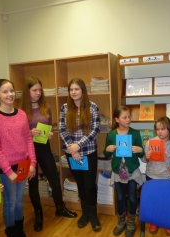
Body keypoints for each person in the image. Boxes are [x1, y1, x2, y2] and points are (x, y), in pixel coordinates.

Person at [19, 76, 77, 232]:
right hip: (27, 151)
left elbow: (49, 127)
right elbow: (18, 134)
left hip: (44, 148)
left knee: (53, 177)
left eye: (39, 90)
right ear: (27, 91)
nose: (38, 93)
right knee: (33, 183)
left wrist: (50, 134)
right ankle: (38, 214)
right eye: (34, 90)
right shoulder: (21, 111)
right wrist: (29, 133)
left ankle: (60, 207)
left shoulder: (46, 107)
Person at [0, 79, 37, 237]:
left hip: (23, 164)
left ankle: (19, 230)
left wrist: (33, 164)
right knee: (10, 202)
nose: (10, 94)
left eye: (11, 91)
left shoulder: (21, 114)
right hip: (6, 169)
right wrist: (9, 172)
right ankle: (11, 232)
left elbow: (28, 139)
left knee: (20, 200)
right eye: (5, 91)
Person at [59, 78, 101, 232]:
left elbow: (95, 130)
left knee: (90, 185)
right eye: (71, 89)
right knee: (80, 184)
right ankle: (85, 214)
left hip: (88, 151)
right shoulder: (64, 108)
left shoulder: (92, 107)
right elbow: (62, 130)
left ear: (83, 90)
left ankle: (93, 214)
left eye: (77, 89)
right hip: (71, 153)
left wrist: (78, 146)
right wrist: (73, 148)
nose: (74, 92)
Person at [103, 106, 144, 237]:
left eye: (129, 116)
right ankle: (121, 221)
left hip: (132, 170)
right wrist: (108, 149)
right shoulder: (111, 134)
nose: (128, 119)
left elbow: (141, 152)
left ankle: (131, 222)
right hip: (117, 170)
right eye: (124, 117)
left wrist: (139, 150)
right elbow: (106, 153)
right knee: (120, 197)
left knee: (132, 197)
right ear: (117, 119)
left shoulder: (135, 133)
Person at [141, 116, 170, 236]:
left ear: (169, 129)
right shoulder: (150, 142)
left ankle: (168, 222)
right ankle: (154, 221)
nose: (160, 132)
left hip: (165, 177)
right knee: (153, 201)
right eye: (157, 129)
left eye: (163, 129)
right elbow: (143, 159)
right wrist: (146, 156)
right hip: (151, 176)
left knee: (166, 201)